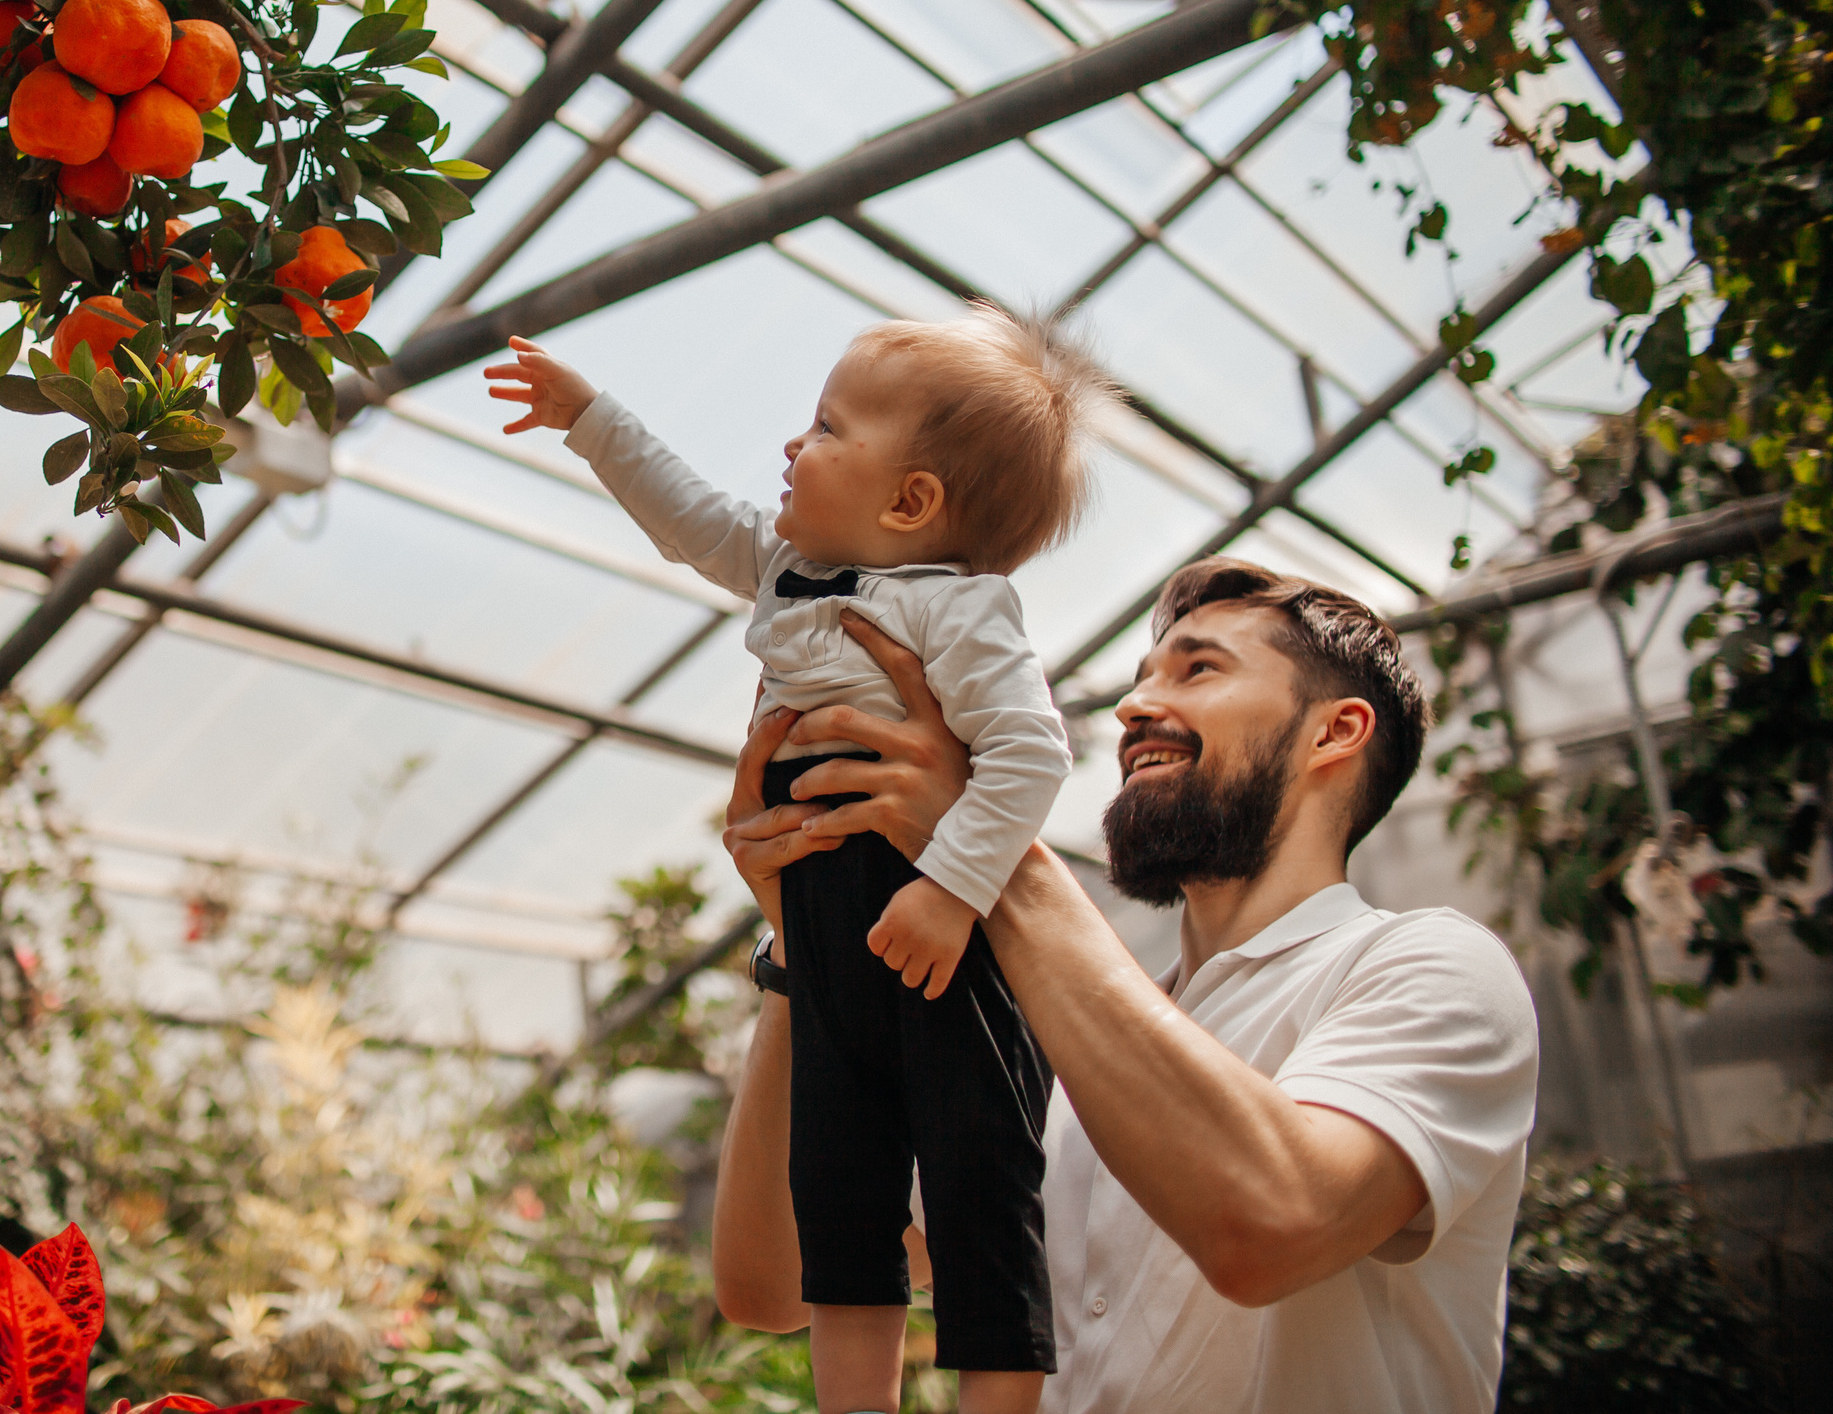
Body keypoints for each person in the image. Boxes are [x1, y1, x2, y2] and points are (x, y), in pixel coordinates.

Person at [709, 560, 1541, 1414]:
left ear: (1335, 731)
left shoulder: (1433, 967)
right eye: (1142, 676)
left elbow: (1271, 1225)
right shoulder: (1056, 1041)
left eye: (1198, 667)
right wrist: (809, 943)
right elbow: (772, 1282)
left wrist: (979, 840)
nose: (1133, 705)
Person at [486, 311, 1118, 1414]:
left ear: (910, 502)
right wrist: (589, 418)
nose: (792, 443)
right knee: (837, 1195)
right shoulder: (786, 568)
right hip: (823, 936)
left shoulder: (960, 610)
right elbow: (686, 516)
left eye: (827, 427)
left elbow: (1030, 752)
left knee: (978, 1190)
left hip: (943, 947)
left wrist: (949, 889)